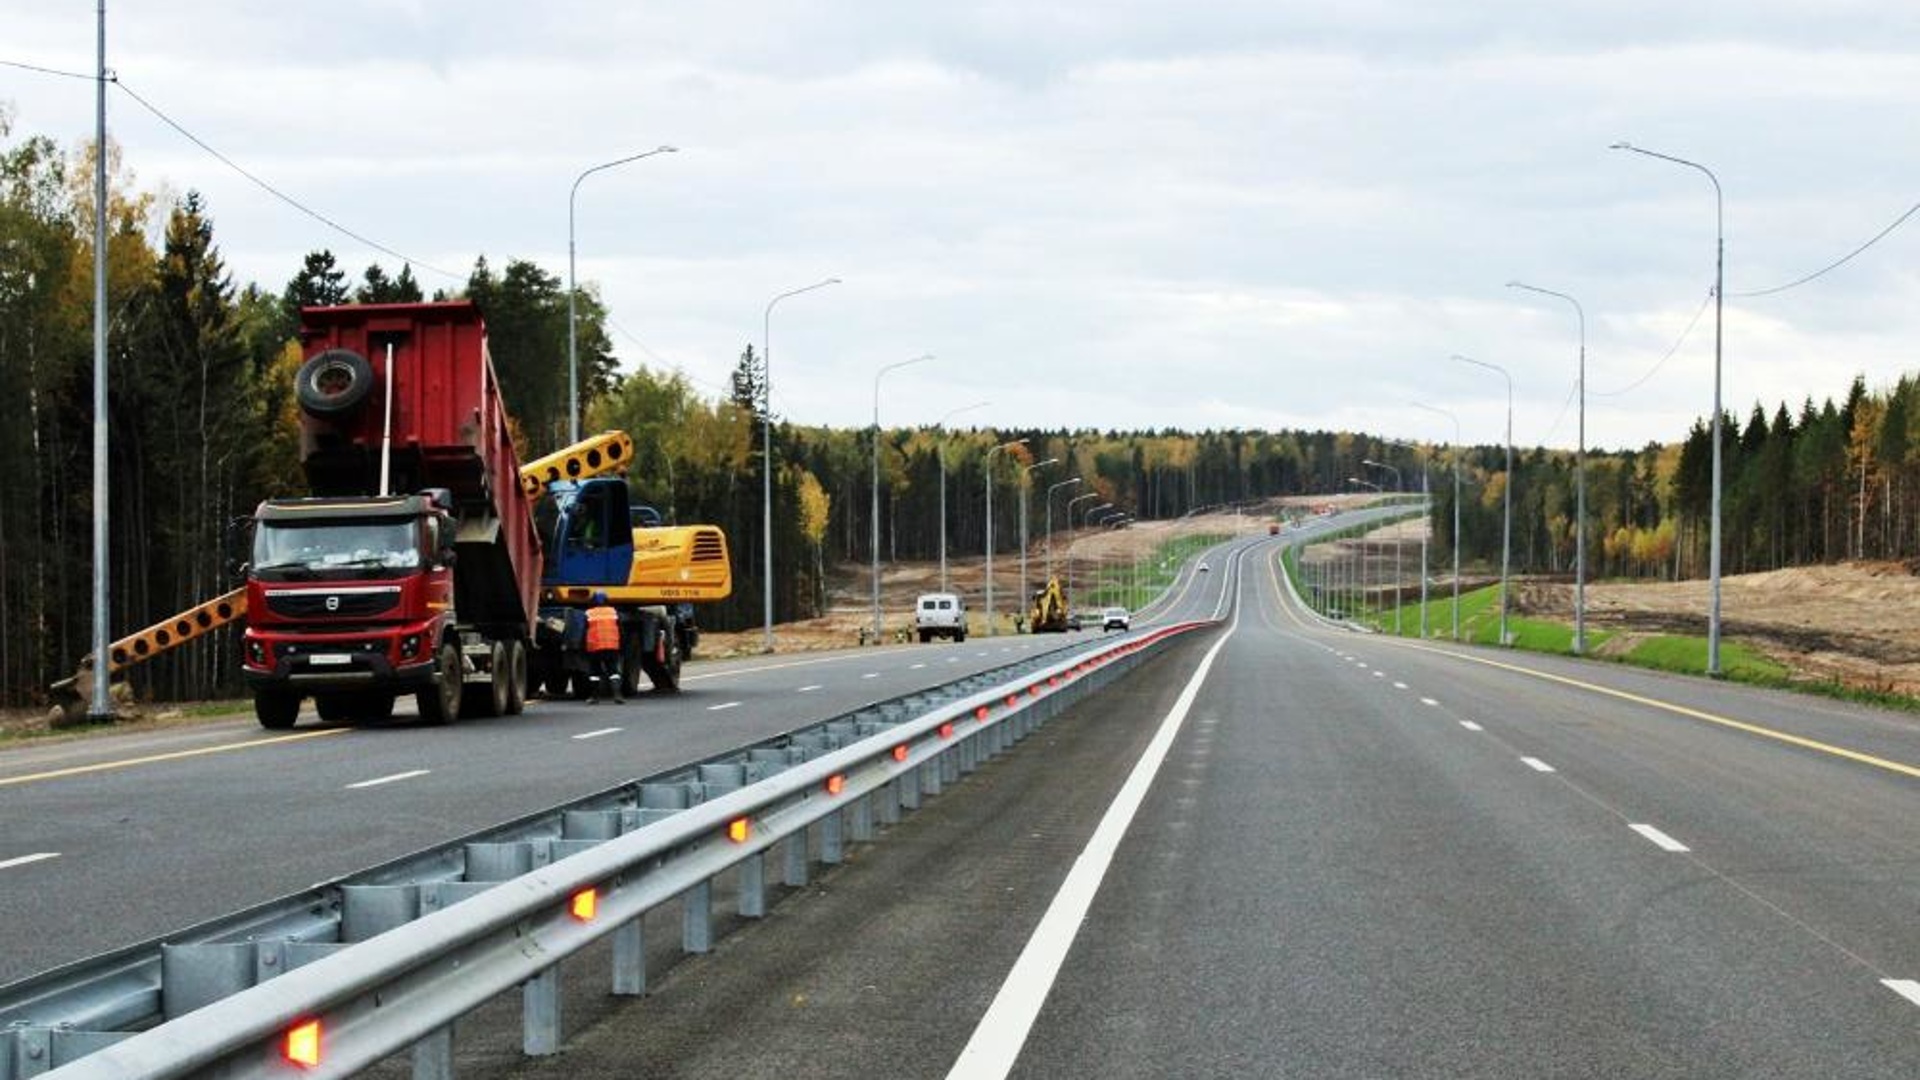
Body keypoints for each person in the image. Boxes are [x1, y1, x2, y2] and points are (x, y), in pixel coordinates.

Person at [583, 591, 623, 704]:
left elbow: (584, 632)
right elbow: (621, 630)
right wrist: (621, 646)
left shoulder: (589, 613)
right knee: (613, 671)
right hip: (612, 646)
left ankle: (594, 697)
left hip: (595, 647)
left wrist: (583, 647)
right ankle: (617, 695)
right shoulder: (614, 612)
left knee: (594, 673)